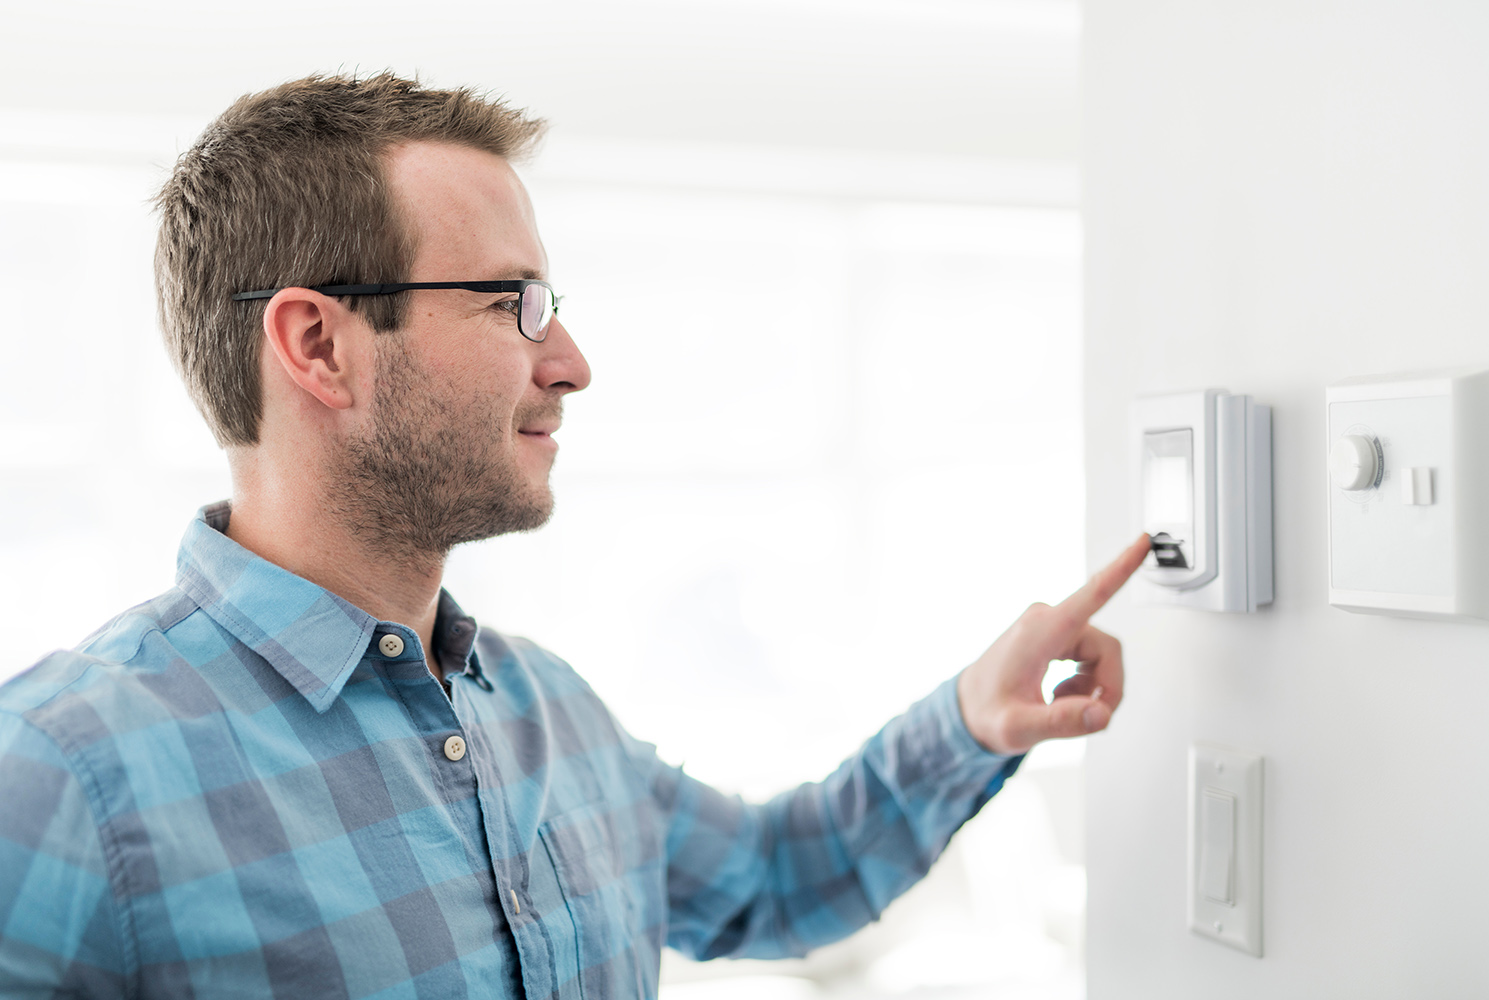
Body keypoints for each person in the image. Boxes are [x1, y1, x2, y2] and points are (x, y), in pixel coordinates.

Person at [0, 73, 1151, 999]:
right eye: (515, 304)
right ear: (319, 346)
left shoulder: (548, 710)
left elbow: (775, 877)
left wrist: (973, 718)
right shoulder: (58, 775)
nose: (570, 363)